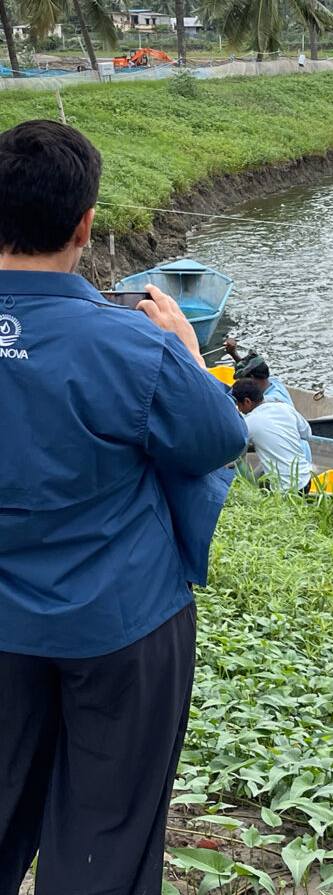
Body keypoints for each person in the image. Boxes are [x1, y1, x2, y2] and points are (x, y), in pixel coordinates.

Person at [0, 119, 249, 895]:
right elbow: (216, 438)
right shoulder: (132, 347)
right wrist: (185, 352)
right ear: (85, 225)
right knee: (106, 834)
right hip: (123, 623)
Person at [231, 376, 314, 493]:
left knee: (253, 487)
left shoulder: (248, 423)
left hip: (283, 490)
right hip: (306, 480)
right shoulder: (285, 407)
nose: (239, 410)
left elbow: (237, 455)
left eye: (239, 405)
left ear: (247, 402)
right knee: (262, 472)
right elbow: (306, 434)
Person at [223, 336, 294, 406]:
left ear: (252, 378)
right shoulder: (271, 381)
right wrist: (233, 353)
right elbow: (247, 368)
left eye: (243, 381)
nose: (242, 385)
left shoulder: (267, 402)